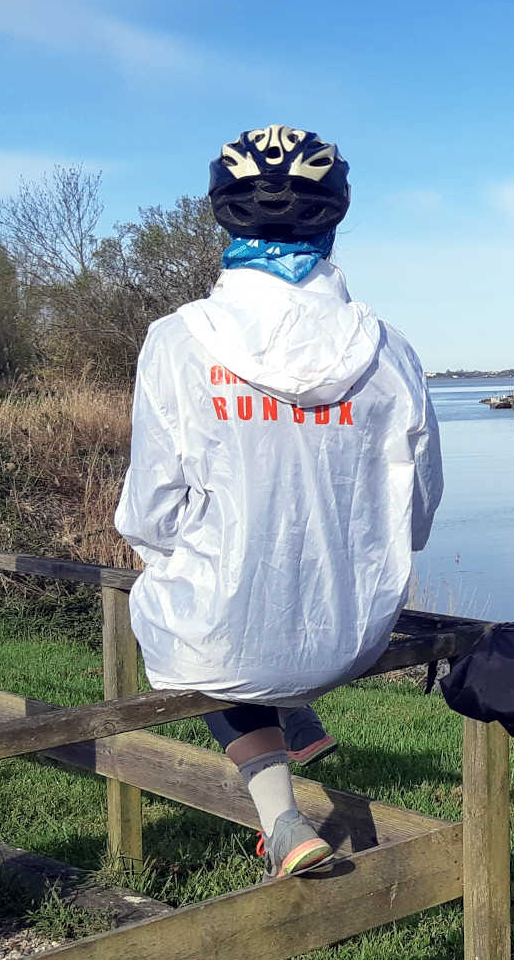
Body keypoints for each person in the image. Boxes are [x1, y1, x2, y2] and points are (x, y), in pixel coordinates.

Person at [115, 125, 443, 878]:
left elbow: (150, 512)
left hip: (225, 631)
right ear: (333, 219)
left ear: (224, 218)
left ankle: (285, 817)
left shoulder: (176, 340)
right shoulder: (390, 350)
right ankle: (294, 715)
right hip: (352, 631)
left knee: (183, 622)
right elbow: (418, 511)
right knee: (236, 628)